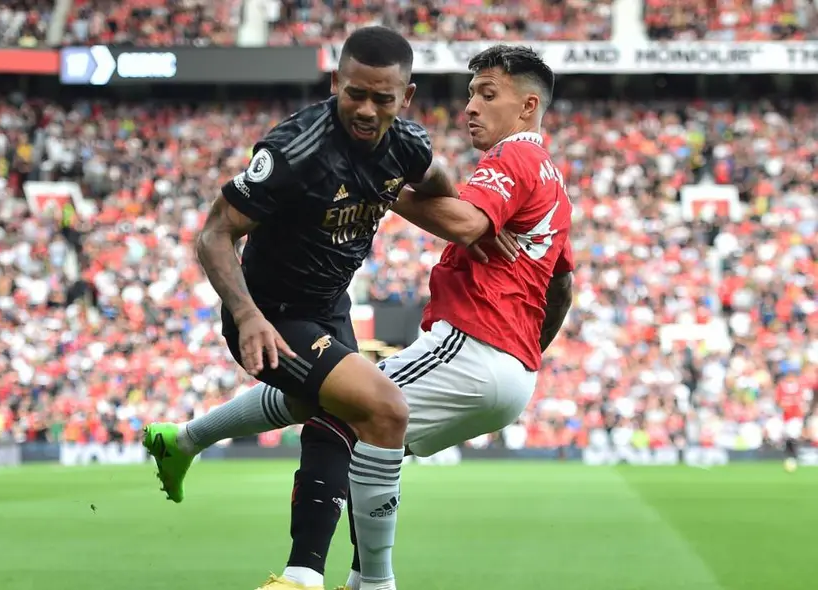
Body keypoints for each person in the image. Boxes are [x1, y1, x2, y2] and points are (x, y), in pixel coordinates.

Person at [147, 44, 576, 590]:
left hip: (473, 348)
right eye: (471, 93)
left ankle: (318, 577)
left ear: (528, 107)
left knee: (348, 415)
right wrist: (524, 353)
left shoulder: (514, 156)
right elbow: (561, 286)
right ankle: (187, 441)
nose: (470, 106)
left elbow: (462, 218)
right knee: (350, 419)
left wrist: (386, 186)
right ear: (336, 85)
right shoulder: (555, 185)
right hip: (506, 371)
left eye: (487, 94)